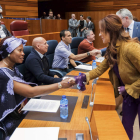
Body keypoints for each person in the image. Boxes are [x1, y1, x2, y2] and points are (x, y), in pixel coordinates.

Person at [69, 14, 140, 140]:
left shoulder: (131, 47)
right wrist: (83, 77)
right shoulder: (112, 47)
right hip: (130, 94)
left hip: (135, 90)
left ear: (111, 31)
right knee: (125, 127)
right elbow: (100, 69)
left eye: (102, 31)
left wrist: (129, 87)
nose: (100, 34)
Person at [0, 37, 74, 140]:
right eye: (19, 50)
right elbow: (30, 92)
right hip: (9, 120)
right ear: (8, 52)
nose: (23, 53)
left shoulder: (12, 67)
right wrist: (60, 84)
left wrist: (20, 99)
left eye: (22, 50)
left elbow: (18, 88)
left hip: (19, 110)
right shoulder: (3, 72)